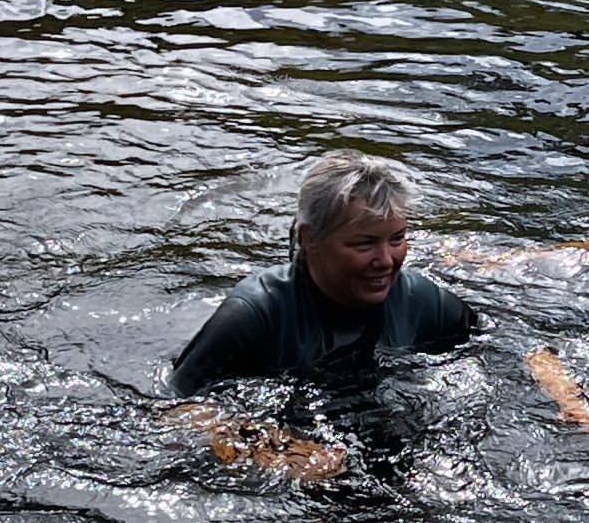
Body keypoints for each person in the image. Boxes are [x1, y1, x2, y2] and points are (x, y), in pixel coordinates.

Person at [171, 151, 476, 401]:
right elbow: (179, 409)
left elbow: (489, 343)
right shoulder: (254, 314)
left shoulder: (422, 302)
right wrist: (265, 445)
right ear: (310, 239)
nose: (386, 260)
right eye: (364, 243)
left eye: (396, 239)